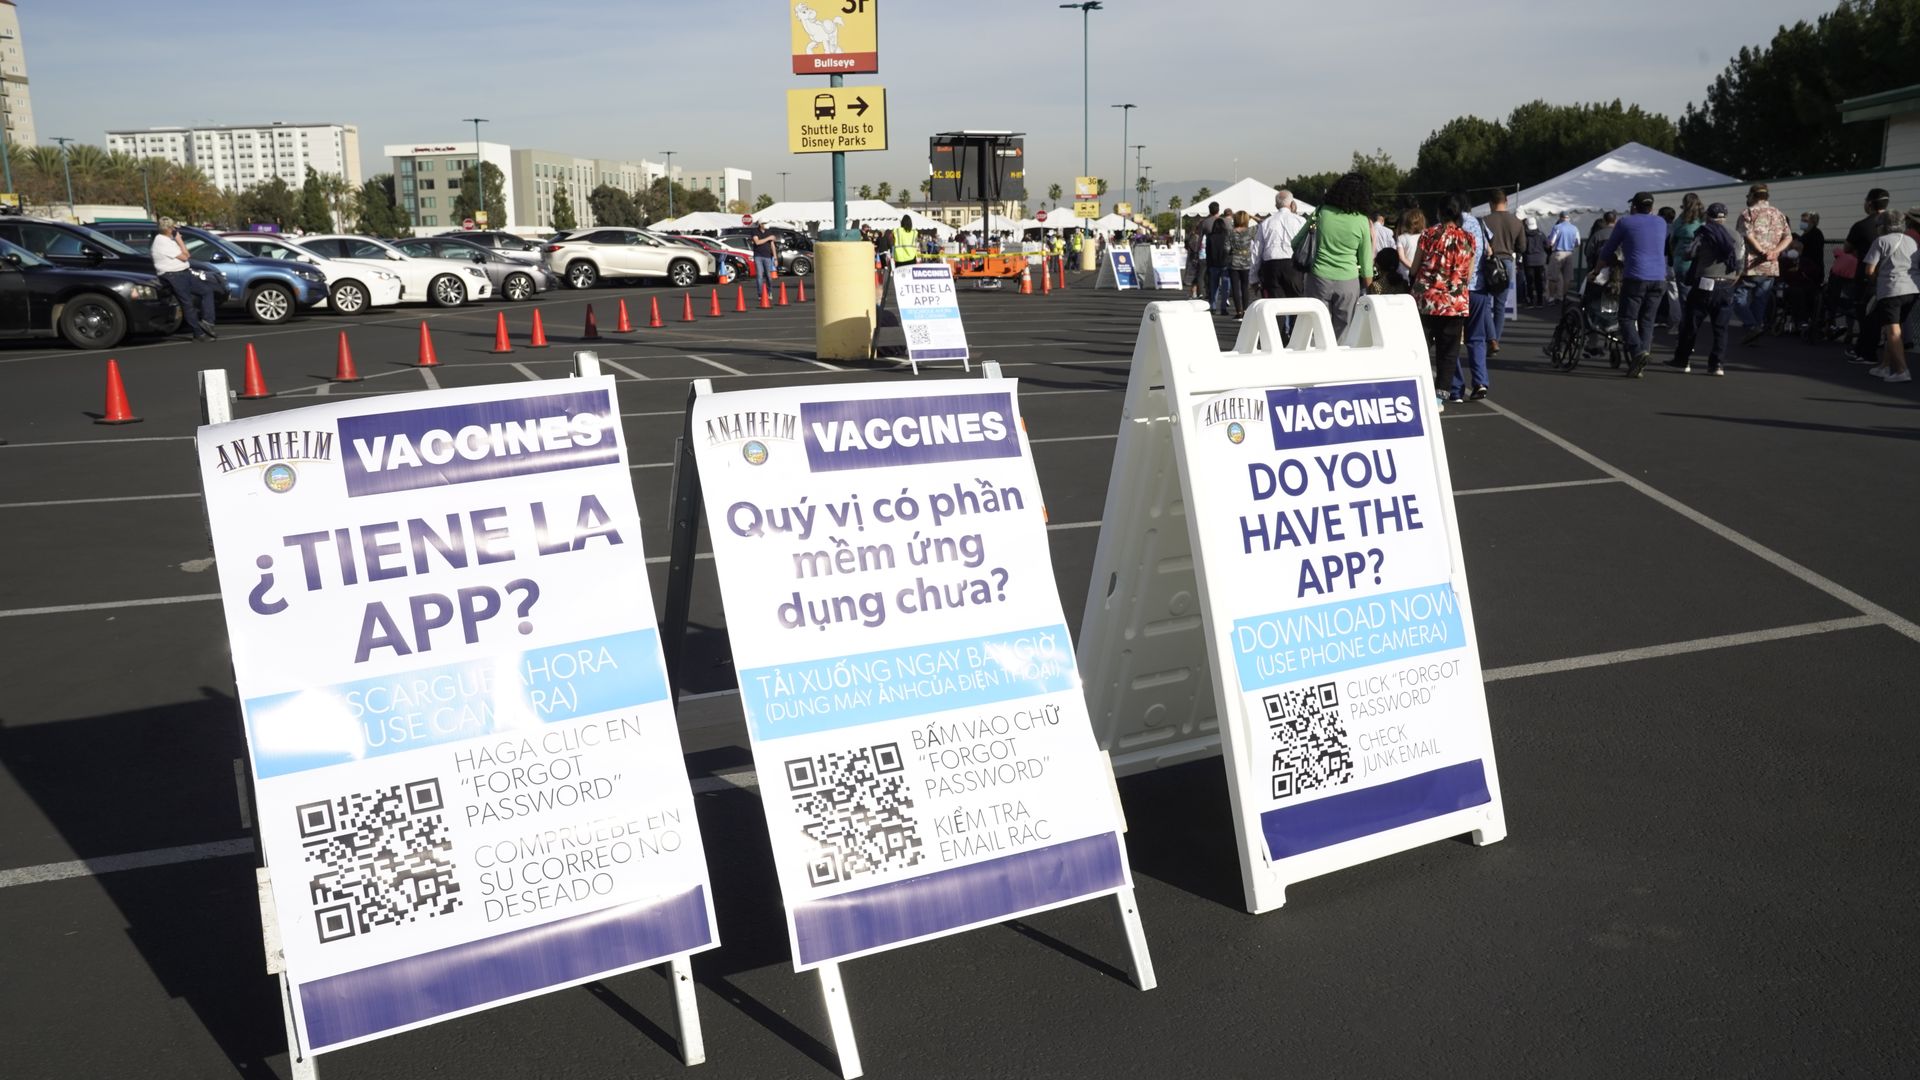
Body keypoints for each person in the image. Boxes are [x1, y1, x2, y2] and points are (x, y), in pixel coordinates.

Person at [1590, 191, 1669, 377]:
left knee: (1626, 318)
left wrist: (1596, 271)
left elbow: (1608, 250)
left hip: (1636, 276)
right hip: (1659, 277)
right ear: (1652, 207)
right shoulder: (1661, 222)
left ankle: (1638, 351)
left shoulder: (1626, 222)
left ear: (1634, 206)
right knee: (1647, 320)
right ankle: (1642, 357)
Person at [1408, 193, 1476, 406]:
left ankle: (1414, 388)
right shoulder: (1468, 238)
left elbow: (1414, 268)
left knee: (1419, 347)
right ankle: (1440, 396)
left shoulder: (1428, 235)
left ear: (1438, 212)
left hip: (1426, 301)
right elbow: (1469, 275)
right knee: (1448, 353)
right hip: (1454, 304)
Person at [1294, 171, 1373, 336]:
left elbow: (1296, 242)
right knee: (1344, 332)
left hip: (1318, 278)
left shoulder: (1322, 212)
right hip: (1349, 282)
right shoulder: (1362, 221)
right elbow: (1366, 265)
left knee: (1317, 329)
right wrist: (1370, 287)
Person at [1667, 202, 1741, 377]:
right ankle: (1717, 365)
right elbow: (1741, 261)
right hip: (1727, 284)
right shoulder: (1737, 235)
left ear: (1708, 216)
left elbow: (1689, 254)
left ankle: (1682, 360)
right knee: (1721, 328)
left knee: (1691, 323)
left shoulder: (1704, 233)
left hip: (1705, 282)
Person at [1857, 205, 1920, 383]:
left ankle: (1901, 370)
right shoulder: (1911, 241)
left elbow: (1869, 270)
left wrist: (1878, 279)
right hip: (1913, 289)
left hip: (1891, 290)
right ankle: (1884, 366)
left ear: (1883, 225)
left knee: (1892, 331)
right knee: (1894, 328)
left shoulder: (1881, 241)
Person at [1732, 183, 1791, 345]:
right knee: (1760, 302)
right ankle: (1755, 332)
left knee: (1738, 299)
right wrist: (1775, 252)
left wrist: (1762, 252)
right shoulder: (1779, 214)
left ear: (1753, 195)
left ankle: (1752, 327)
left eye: (1748, 196)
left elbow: (1747, 236)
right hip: (1770, 267)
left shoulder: (1748, 213)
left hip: (1751, 265)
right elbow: (1788, 237)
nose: (1747, 199)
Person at [151, 217, 216, 341]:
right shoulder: (162, 242)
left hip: (184, 273)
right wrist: (179, 240)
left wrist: (177, 241)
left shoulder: (167, 240)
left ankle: (208, 322)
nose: (176, 230)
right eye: (174, 228)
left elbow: (186, 256)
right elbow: (186, 256)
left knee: (206, 291)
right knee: (187, 303)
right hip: (174, 275)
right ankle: (198, 334)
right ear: (169, 229)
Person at [1480, 190, 1525, 351]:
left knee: (1484, 302)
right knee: (1500, 305)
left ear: (1490, 203)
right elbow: (1522, 247)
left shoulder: (1484, 220)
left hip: (1488, 263)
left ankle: (1491, 338)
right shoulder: (1516, 222)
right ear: (1506, 202)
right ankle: (1495, 340)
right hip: (1507, 263)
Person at [1253, 190, 1305, 299]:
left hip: (1271, 265)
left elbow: (1256, 251)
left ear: (1276, 205)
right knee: (1297, 303)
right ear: (1292, 204)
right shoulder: (1300, 221)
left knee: (1275, 305)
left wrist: (1253, 277)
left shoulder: (1266, 223)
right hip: (1293, 264)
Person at [1390, 207, 1425, 294]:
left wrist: (1412, 267)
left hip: (1404, 273)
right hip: (1421, 273)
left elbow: (1401, 257)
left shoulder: (1401, 238)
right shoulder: (1424, 236)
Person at [1227, 210, 1255, 317]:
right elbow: (1264, 223)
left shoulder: (1230, 232)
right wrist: (1254, 217)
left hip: (1234, 260)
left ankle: (1239, 311)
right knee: (1245, 286)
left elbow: (1226, 248)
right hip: (1246, 260)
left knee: (1235, 287)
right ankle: (1246, 310)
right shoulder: (1251, 231)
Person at [1547, 212, 1580, 301]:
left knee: (1553, 277)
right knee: (1567, 277)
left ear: (1560, 218)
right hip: (1569, 253)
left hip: (1558, 253)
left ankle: (1551, 297)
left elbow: (1551, 242)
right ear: (1568, 218)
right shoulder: (1574, 228)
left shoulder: (1557, 227)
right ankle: (1563, 296)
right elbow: (1578, 243)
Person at [1205, 214, 1232, 314]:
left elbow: (1208, 252)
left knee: (1214, 287)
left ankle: (1213, 306)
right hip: (1225, 264)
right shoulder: (1227, 236)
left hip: (1213, 264)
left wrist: (1208, 266)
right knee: (1225, 288)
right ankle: (1223, 307)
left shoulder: (1210, 237)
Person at [750, 218, 781, 302]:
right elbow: (757, 242)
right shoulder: (755, 232)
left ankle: (769, 292)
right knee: (759, 275)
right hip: (758, 256)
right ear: (760, 224)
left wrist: (775, 258)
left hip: (768, 256)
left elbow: (772, 246)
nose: (766, 225)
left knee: (769, 276)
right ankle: (760, 294)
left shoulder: (769, 232)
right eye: (765, 223)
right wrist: (769, 238)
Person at [1521, 217, 1548, 306]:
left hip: (1529, 261)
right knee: (1540, 281)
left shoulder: (1524, 235)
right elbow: (1547, 245)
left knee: (1530, 282)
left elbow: (1522, 247)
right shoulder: (1541, 234)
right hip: (1540, 260)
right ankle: (1540, 300)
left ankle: (1531, 300)